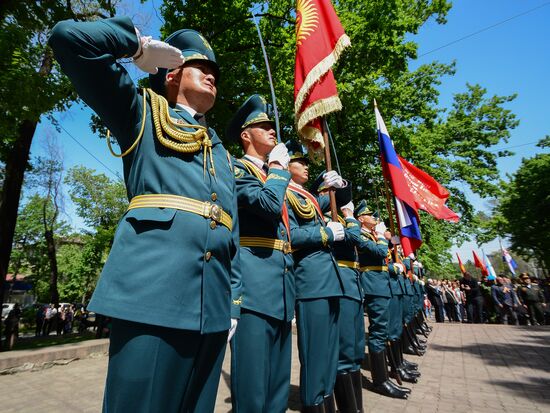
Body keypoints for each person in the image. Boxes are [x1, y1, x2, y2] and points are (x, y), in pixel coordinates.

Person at [49, 17, 242, 412]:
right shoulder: (141, 113)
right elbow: (68, 39)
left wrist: (233, 301)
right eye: (200, 67)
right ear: (171, 73)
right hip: (153, 296)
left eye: (214, 73)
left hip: (213, 307)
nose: (211, 76)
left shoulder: (220, 152)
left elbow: (228, 229)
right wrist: (135, 46)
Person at [226, 95, 294, 413]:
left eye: (272, 126)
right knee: (252, 393)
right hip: (252, 289)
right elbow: (267, 207)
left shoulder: (272, 178)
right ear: (245, 135)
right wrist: (280, 168)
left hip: (280, 289)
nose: (271, 131)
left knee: (277, 388)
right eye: (263, 126)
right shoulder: (235, 169)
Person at [285, 140, 348, 412]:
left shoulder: (308, 197)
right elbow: (291, 235)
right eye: (302, 162)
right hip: (310, 282)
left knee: (329, 352)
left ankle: (325, 401)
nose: (308, 167)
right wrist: (325, 233)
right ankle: (313, 402)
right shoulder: (284, 194)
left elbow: (339, 199)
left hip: (328, 280)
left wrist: (340, 184)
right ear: (286, 165)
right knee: (315, 353)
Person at [312, 176, 364, 412]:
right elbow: (354, 238)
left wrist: (343, 187)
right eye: (329, 190)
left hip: (350, 283)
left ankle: (354, 407)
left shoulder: (337, 216)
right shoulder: (320, 214)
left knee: (353, 350)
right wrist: (352, 218)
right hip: (337, 281)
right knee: (343, 351)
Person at [355, 201, 409, 399]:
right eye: (370, 215)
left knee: (384, 330)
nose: (375, 219)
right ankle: (380, 380)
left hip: (381, 284)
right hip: (373, 285)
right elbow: (378, 252)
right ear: (361, 218)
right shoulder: (360, 234)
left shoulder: (370, 234)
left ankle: (389, 372)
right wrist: (381, 236)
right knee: (378, 332)